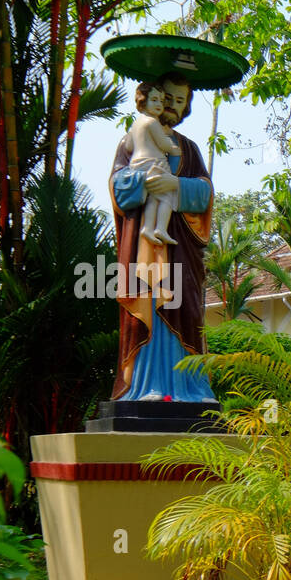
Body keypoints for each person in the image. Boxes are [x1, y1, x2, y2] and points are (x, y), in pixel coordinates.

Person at [108, 71, 216, 402]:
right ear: (155, 98)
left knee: (185, 309)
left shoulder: (189, 149)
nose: (171, 105)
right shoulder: (131, 141)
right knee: (145, 305)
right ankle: (142, 387)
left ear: (185, 107)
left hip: (180, 251)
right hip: (142, 247)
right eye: (166, 96)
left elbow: (206, 192)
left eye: (179, 100)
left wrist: (177, 186)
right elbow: (117, 188)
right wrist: (141, 184)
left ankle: (190, 389)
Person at [125, 82, 181, 245]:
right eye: (155, 100)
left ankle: (148, 228)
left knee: (153, 197)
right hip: (153, 162)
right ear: (143, 101)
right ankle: (161, 228)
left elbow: (129, 146)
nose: (159, 104)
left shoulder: (136, 124)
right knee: (167, 196)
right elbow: (163, 144)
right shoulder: (152, 122)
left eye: (161, 101)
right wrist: (173, 148)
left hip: (137, 164)